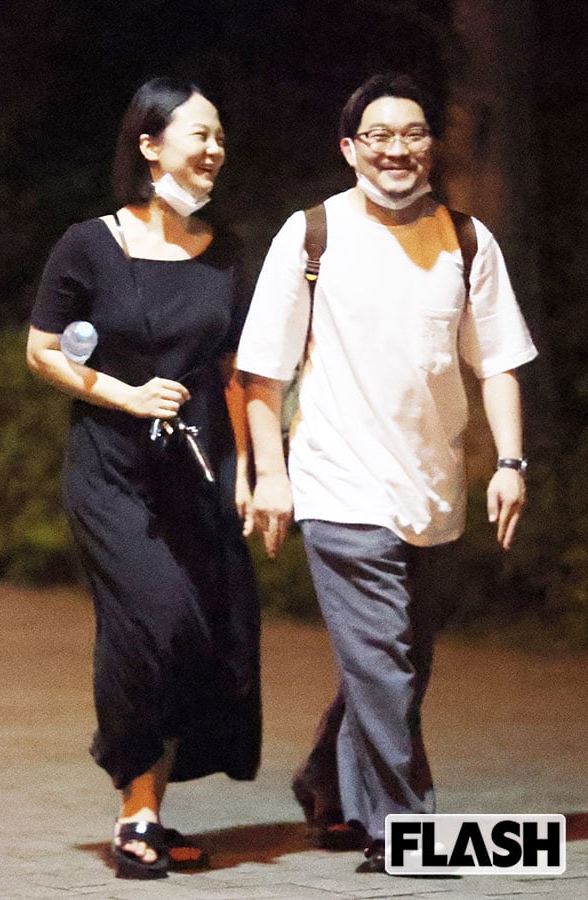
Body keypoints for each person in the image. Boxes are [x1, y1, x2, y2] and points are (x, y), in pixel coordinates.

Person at [237, 72, 537, 874]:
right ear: (350, 148)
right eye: (377, 135)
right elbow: (262, 371)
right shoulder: (311, 236)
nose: (395, 149)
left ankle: (325, 780)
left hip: (432, 487)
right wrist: (272, 473)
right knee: (383, 663)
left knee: (399, 662)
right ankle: (408, 832)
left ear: (432, 147)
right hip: (337, 480)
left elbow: (499, 362)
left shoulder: (466, 242)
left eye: (411, 134)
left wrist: (510, 461)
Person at [27, 77, 260, 880]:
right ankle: (133, 801)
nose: (215, 149)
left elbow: (235, 373)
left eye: (220, 135)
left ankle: (146, 813)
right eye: (200, 133)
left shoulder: (225, 252)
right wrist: (126, 395)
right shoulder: (88, 245)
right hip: (112, 471)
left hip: (198, 470)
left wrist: (252, 469)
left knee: (204, 637)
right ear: (150, 145)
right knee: (156, 623)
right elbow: (43, 352)